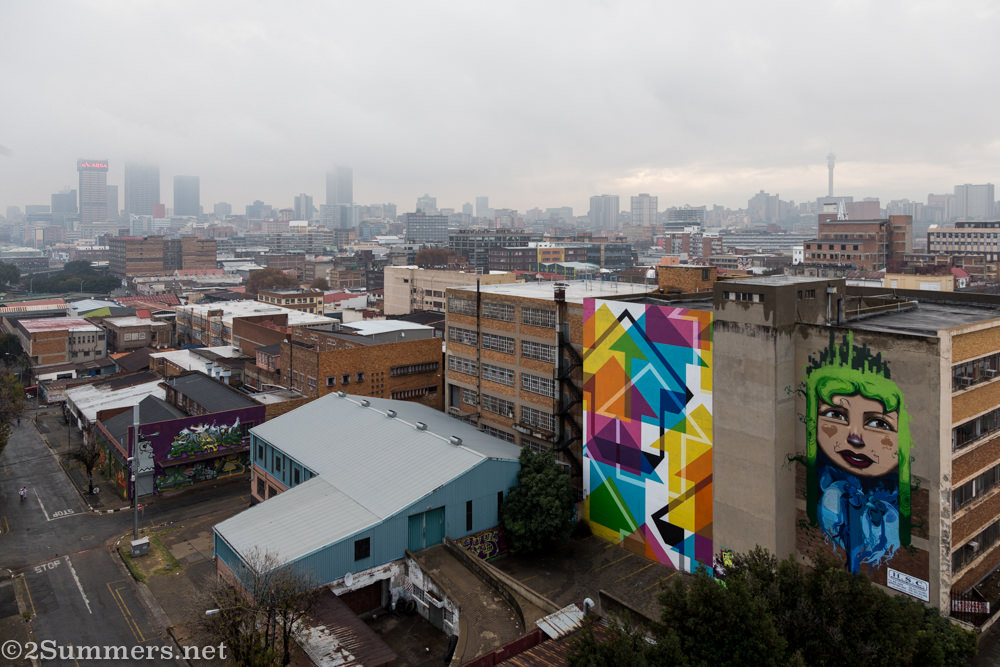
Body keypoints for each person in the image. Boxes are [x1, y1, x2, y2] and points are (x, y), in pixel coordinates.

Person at [804, 331, 912, 573]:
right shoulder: (829, 492)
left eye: (878, 423)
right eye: (836, 415)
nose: (854, 437)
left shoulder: (890, 515)